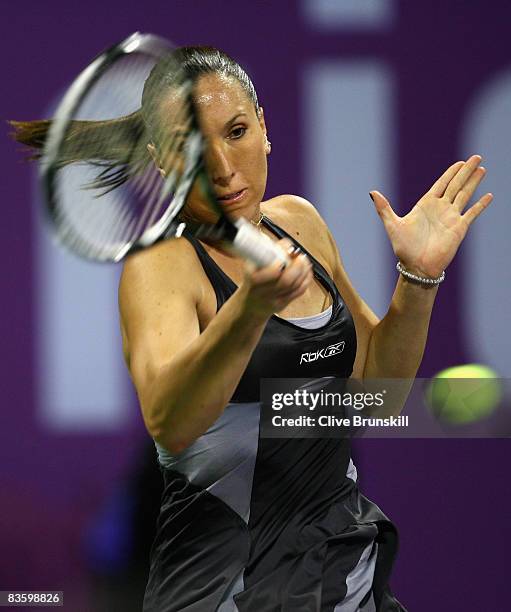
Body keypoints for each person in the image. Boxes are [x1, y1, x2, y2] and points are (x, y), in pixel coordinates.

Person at [11, 46, 492, 612]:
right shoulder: (161, 265)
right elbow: (172, 421)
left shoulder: (301, 224)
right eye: (191, 148)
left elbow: (373, 398)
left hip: (346, 580)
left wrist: (419, 278)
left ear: (264, 128)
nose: (220, 165)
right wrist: (251, 305)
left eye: (237, 131)